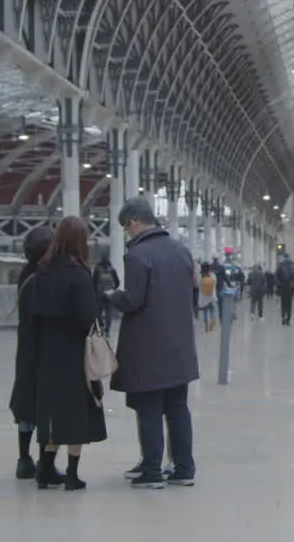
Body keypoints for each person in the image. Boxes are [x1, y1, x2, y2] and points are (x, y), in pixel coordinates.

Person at [106, 197, 200, 489]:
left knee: (148, 407)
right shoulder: (181, 251)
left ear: (134, 222)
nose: (127, 233)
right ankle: (184, 467)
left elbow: (134, 300)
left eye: (126, 227)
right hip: (180, 345)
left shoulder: (138, 255)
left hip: (148, 347)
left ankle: (152, 469)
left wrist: (111, 296)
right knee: (177, 408)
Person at [18, 216, 107, 491]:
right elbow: (87, 319)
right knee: (75, 413)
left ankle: (45, 468)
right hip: (73, 355)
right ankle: (72, 474)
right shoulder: (78, 275)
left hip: (46, 354)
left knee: (51, 413)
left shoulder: (42, 273)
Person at [9, 224, 60, 483]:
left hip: (26, 349)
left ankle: (23, 459)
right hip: (45, 351)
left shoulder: (26, 274)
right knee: (45, 407)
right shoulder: (44, 278)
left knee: (26, 406)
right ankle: (43, 462)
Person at [92, 254, 121, 334]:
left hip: (99, 294)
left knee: (98, 312)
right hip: (109, 295)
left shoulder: (97, 269)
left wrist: (95, 292)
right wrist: (112, 289)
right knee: (109, 313)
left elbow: (93, 281)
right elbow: (117, 282)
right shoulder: (112, 270)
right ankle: (107, 330)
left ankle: (100, 327)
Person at [275, 253, 294, 325]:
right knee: (289, 304)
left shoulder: (280, 265)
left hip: (282, 287)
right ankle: (288, 319)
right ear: (289, 257)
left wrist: (278, 284)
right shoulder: (292, 265)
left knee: (283, 303)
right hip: (290, 287)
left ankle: (283, 318)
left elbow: (276, 276)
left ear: (284, 257)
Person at [199, 262, 218, 332]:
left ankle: (206, 326)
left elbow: (198, 285)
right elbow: (215, 282)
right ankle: (211, 323)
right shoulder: (213, 275)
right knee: (212, 310)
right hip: (212, 296)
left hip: (204, 297)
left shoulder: (201, 276)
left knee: (205, 311)